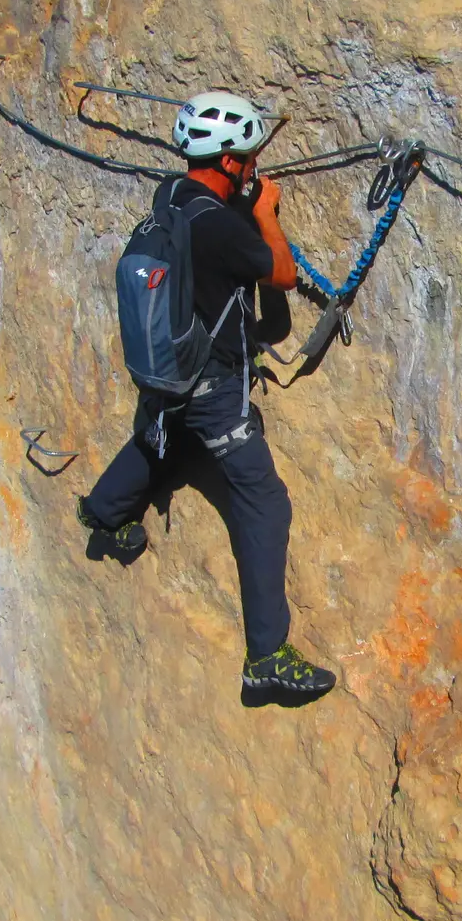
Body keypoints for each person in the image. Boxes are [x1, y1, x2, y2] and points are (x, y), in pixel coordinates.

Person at [78, 91, 337, 696]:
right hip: (213, 385)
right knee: (264, 501)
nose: (254, 165)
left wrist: (238, 207)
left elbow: (209, 245)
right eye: (247, 157)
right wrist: (265, 212)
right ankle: (267, 658)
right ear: (227, 162)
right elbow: (282, 275)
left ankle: (104, 512)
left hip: (169, 362)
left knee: (163, 435)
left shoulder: (173, 195)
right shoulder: (222, 226)